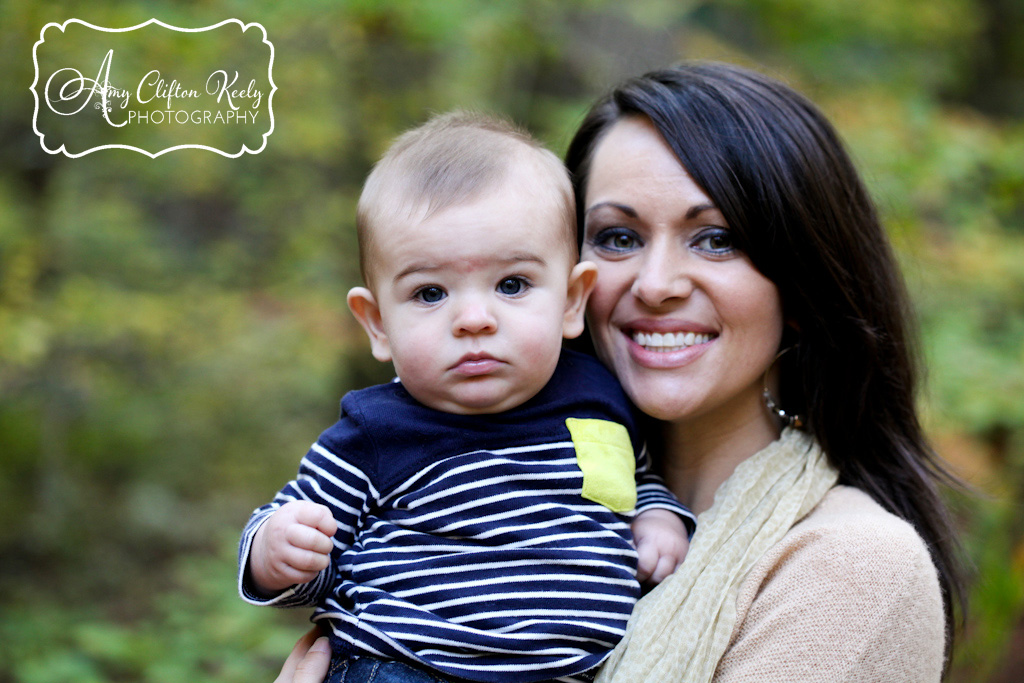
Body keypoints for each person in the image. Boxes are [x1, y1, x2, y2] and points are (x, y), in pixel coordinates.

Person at [277, 61, 967, 682]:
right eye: (618, 237)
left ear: (801, 284)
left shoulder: (852, 564)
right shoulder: (508, 476)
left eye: (716, 238)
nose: (657, 281)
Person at [241, 111, 694, 683]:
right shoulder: (376, 432)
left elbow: (634, 480)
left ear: (573, 301)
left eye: (512, 285)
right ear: (377, 323)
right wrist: (277, 551)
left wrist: (657, 517)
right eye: (430, 293)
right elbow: (302, 542)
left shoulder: (598, 399)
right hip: (405, 666)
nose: (474, 319)